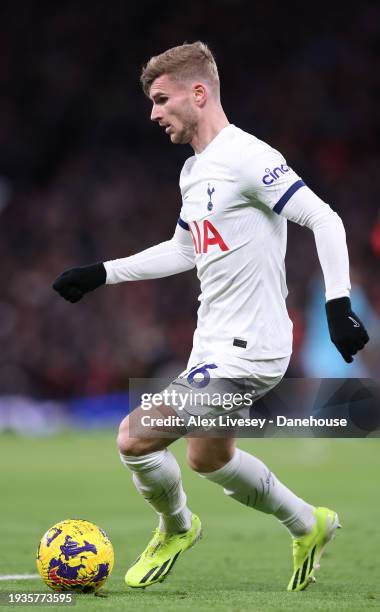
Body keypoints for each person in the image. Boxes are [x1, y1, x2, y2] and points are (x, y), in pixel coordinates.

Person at [53, 41, 369, 592]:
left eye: (161, 99)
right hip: (214, 344)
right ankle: (308, 522)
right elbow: (184, 251)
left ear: (198, 93)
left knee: (133, 437)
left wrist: (337, 304)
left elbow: (325, 219)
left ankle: (177, 527)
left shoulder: (250, 157)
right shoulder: (195, 170)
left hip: (248, 349)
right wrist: (102, 272)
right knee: (207, 457)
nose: (153, 113)